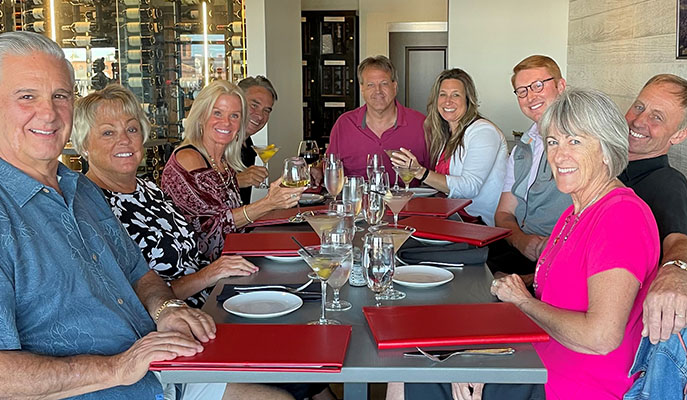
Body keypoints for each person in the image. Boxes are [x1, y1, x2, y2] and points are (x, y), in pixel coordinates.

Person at [0, 30, 261, 400]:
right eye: (27, 96)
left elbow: (140, 274)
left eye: (60, 96)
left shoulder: (81, 189)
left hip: (161, 368)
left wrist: (167, 308)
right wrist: (119, 367)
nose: (49, 113)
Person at [404, 88, 661, 400]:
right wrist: (511, 291)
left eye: (575, 141)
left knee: (411, 372)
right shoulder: (575, 212)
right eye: (553, 142)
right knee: (416, 346)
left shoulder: (620, 217)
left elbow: (600, 337)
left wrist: (522, 302)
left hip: (568, 383)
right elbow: (561, 289)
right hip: (534, 358)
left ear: (607, 149)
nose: (559, 154)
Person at [73, 84, 259, 308]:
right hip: (173, 324)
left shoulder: (149, 189)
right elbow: (127, 300)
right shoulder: (87, 206)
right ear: (84, 144)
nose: (124, 140)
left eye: (132, 129)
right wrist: (209, 274)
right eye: (108, 132)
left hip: (213, 299)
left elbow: (194, 251)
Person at [161, 80, 305, 260]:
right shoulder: (189, 159)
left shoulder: (224, 162)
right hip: (200, 270)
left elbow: (234, 222)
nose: (226, 122)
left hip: (232, 258)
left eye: (234, 116)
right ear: (200, 117)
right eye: (217, 113)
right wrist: (269, 203)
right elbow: (208, 232)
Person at [620, 74, 687, 344]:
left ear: (679, 134)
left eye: (657, 117)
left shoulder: (667, 183)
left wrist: (678, 272)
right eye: (639, 107)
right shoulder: (611, 169)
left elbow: (681, 241)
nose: (639, 121)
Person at [487, 55, 571, 283]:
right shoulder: (523, 147)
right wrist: (520, 241)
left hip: (559, 262)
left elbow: (591, 224)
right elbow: (504, 213)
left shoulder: (580, 144)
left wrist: (527, 279)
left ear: (560, 86)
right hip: (514, 249)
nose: (530, 96)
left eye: (537, 86)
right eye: (522, 91)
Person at [387, 68, 507, 226]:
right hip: (452, 217)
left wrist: (420, 172)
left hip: (477, 225)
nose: (448, 101)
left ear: (468, 99)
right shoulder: (448, 134)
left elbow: (469, 188)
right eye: (442, 94)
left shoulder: (483, 132)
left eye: (455, 95)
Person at [325, 55, 430, 183]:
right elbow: (330, 169)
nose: (378, 91)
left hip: (410, 202)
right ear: (362, 89)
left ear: (395, 87)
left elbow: (435, 174)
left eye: (384, 84)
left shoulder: (421, 124)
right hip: (357, 202)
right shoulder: (344, 124)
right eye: (370, 85)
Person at [237, 75, 277, 204]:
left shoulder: (248, 144)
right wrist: (236, 181)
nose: (260, 116)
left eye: (266, 111)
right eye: (254, 105)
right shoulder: (217, 143)